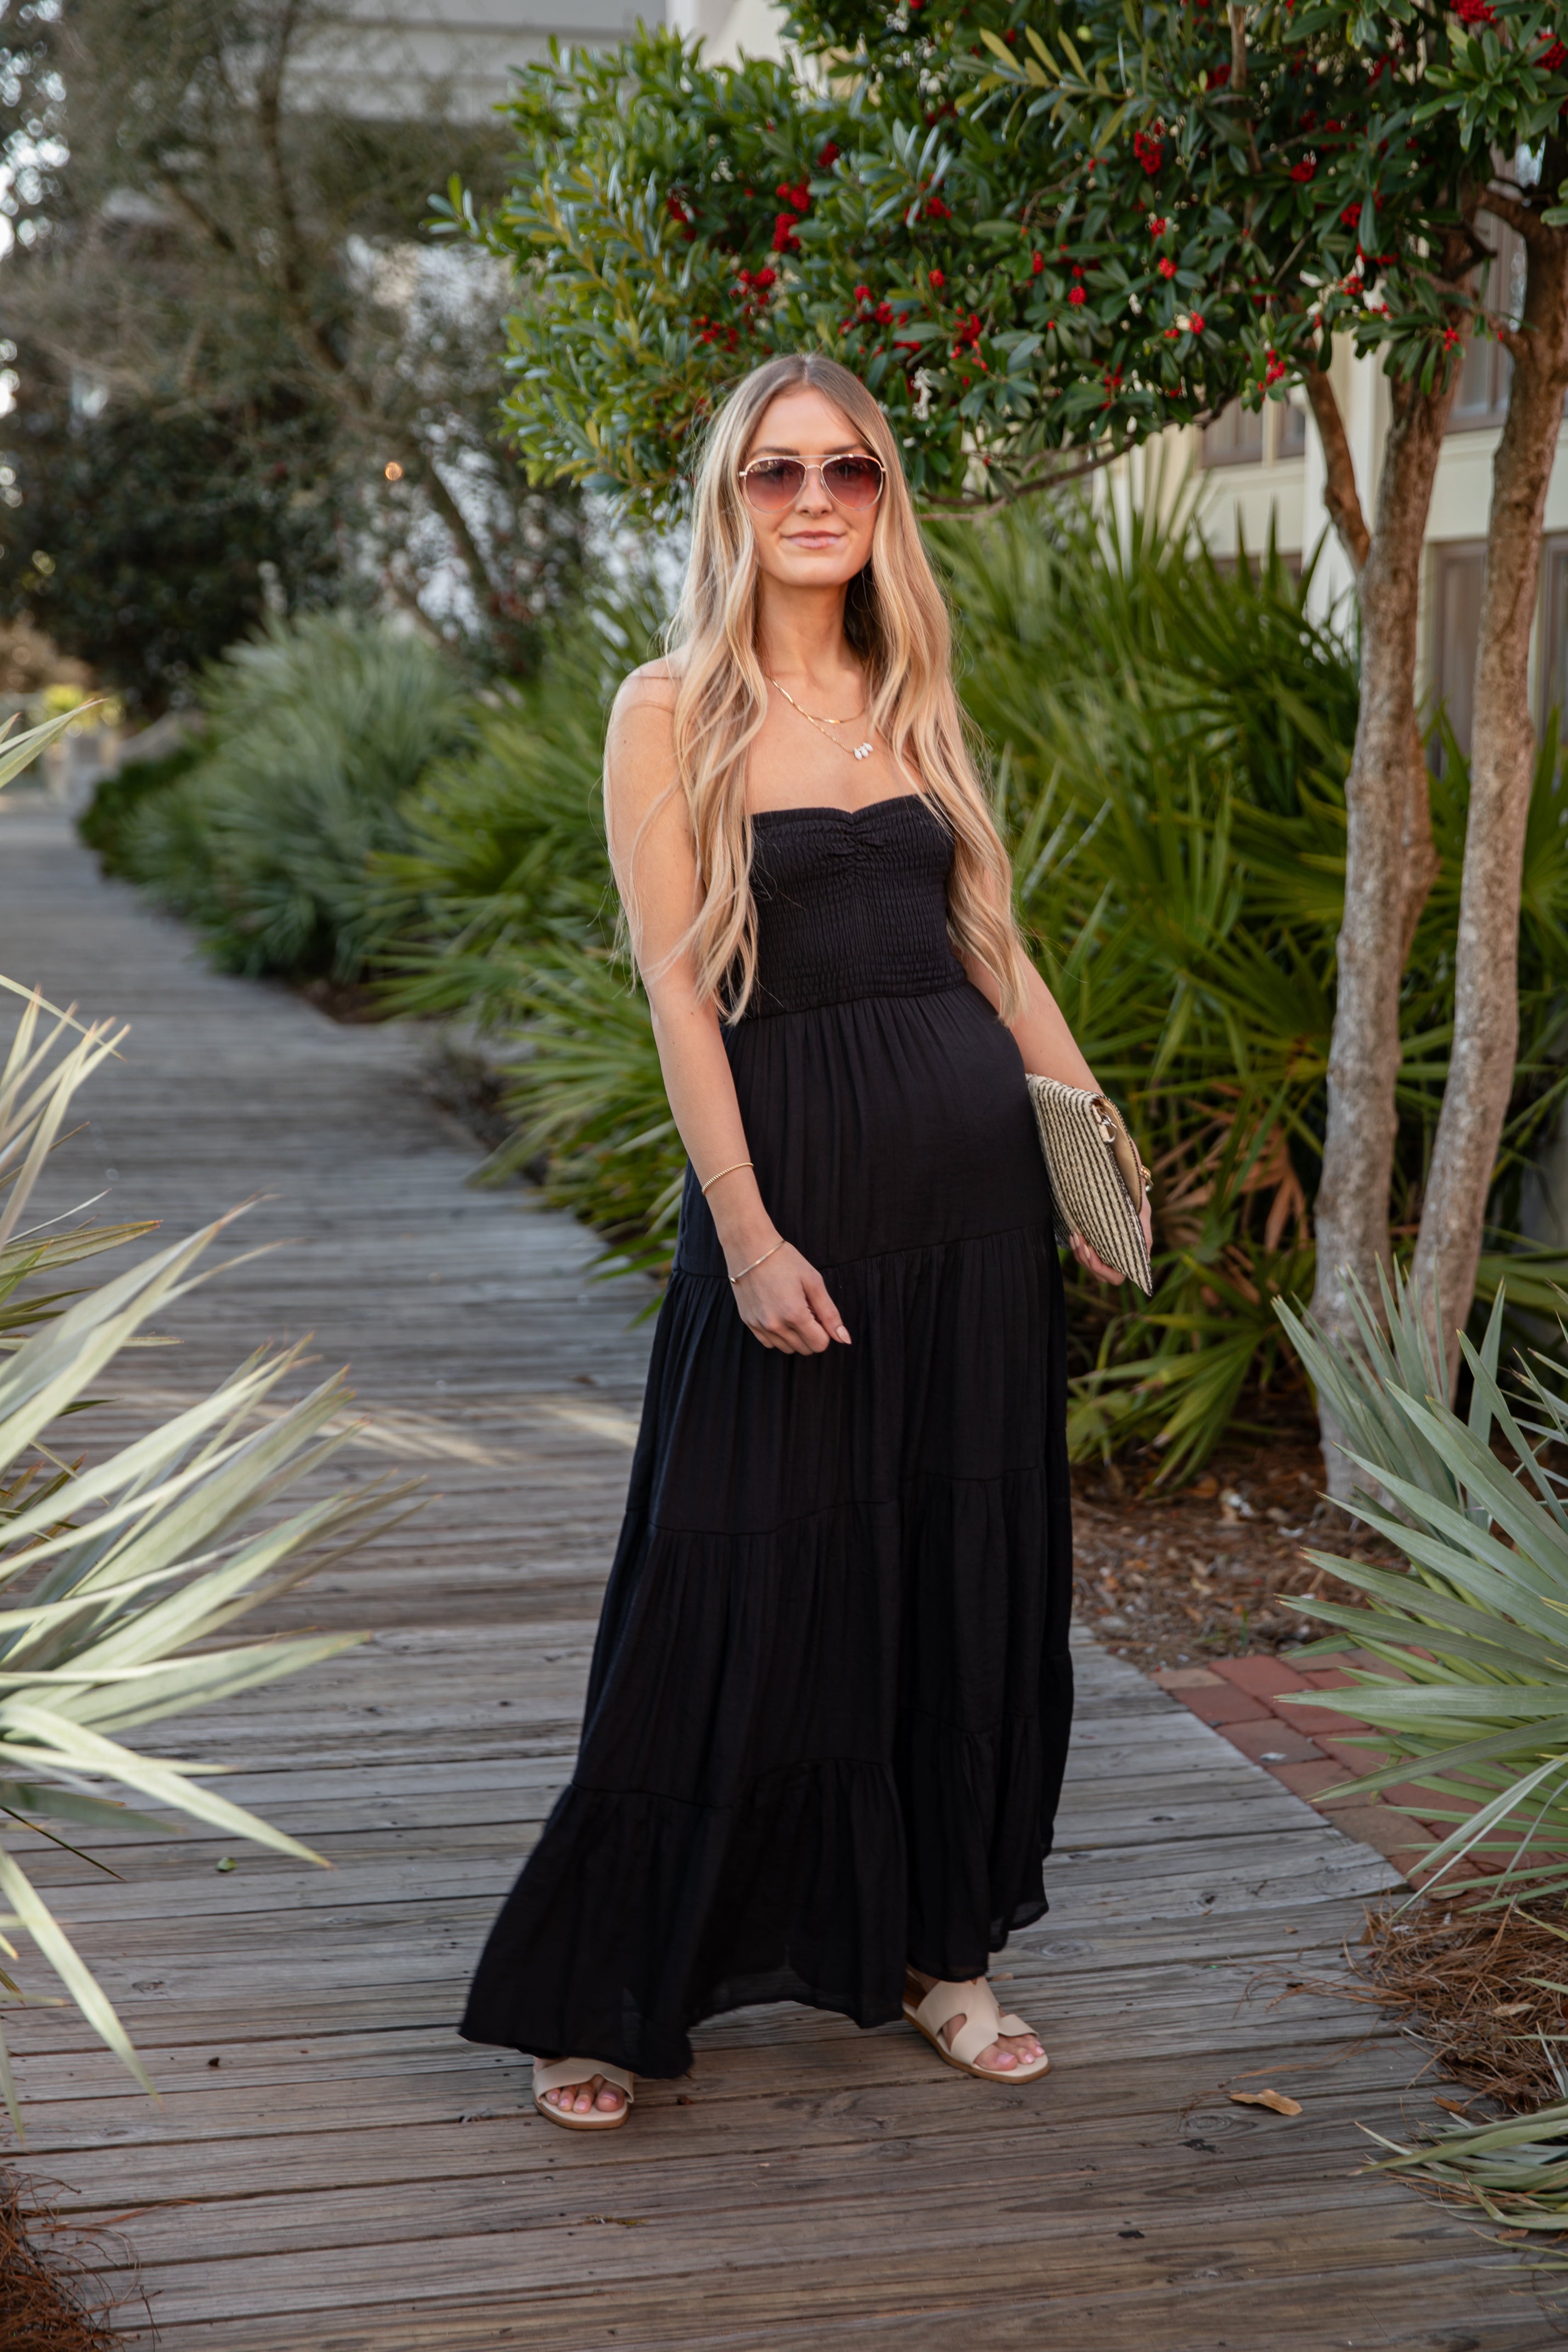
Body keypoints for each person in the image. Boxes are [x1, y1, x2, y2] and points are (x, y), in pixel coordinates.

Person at [461, 351, 1145, 2130]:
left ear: (885, 499)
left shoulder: (912, 692)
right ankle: (610, 1983)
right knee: (727, 1570)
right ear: (730, 499)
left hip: (975, 1212)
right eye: (778, 472)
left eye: (849, 468)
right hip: (799, 1209)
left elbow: (993, 952)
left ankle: (944, 1954)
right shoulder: (665, 709)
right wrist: (747, 1240)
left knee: (953, 1575)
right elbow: (682, 1004)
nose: (816, 498)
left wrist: (1090, 1148)